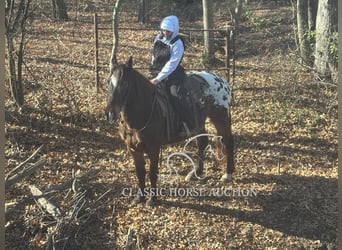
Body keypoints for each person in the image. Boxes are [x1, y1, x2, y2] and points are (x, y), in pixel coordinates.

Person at [149, 15, 195, 135]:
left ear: (174, 30)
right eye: (163, 30)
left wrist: (158, 79)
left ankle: (187, 124)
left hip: (172, 75)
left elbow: (172, 64)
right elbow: (154, 55)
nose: (165, 33)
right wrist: (153, 70)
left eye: (168, 31)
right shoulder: (158, 38)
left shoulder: (177, 43)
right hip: (156, 72)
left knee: (176, 96)